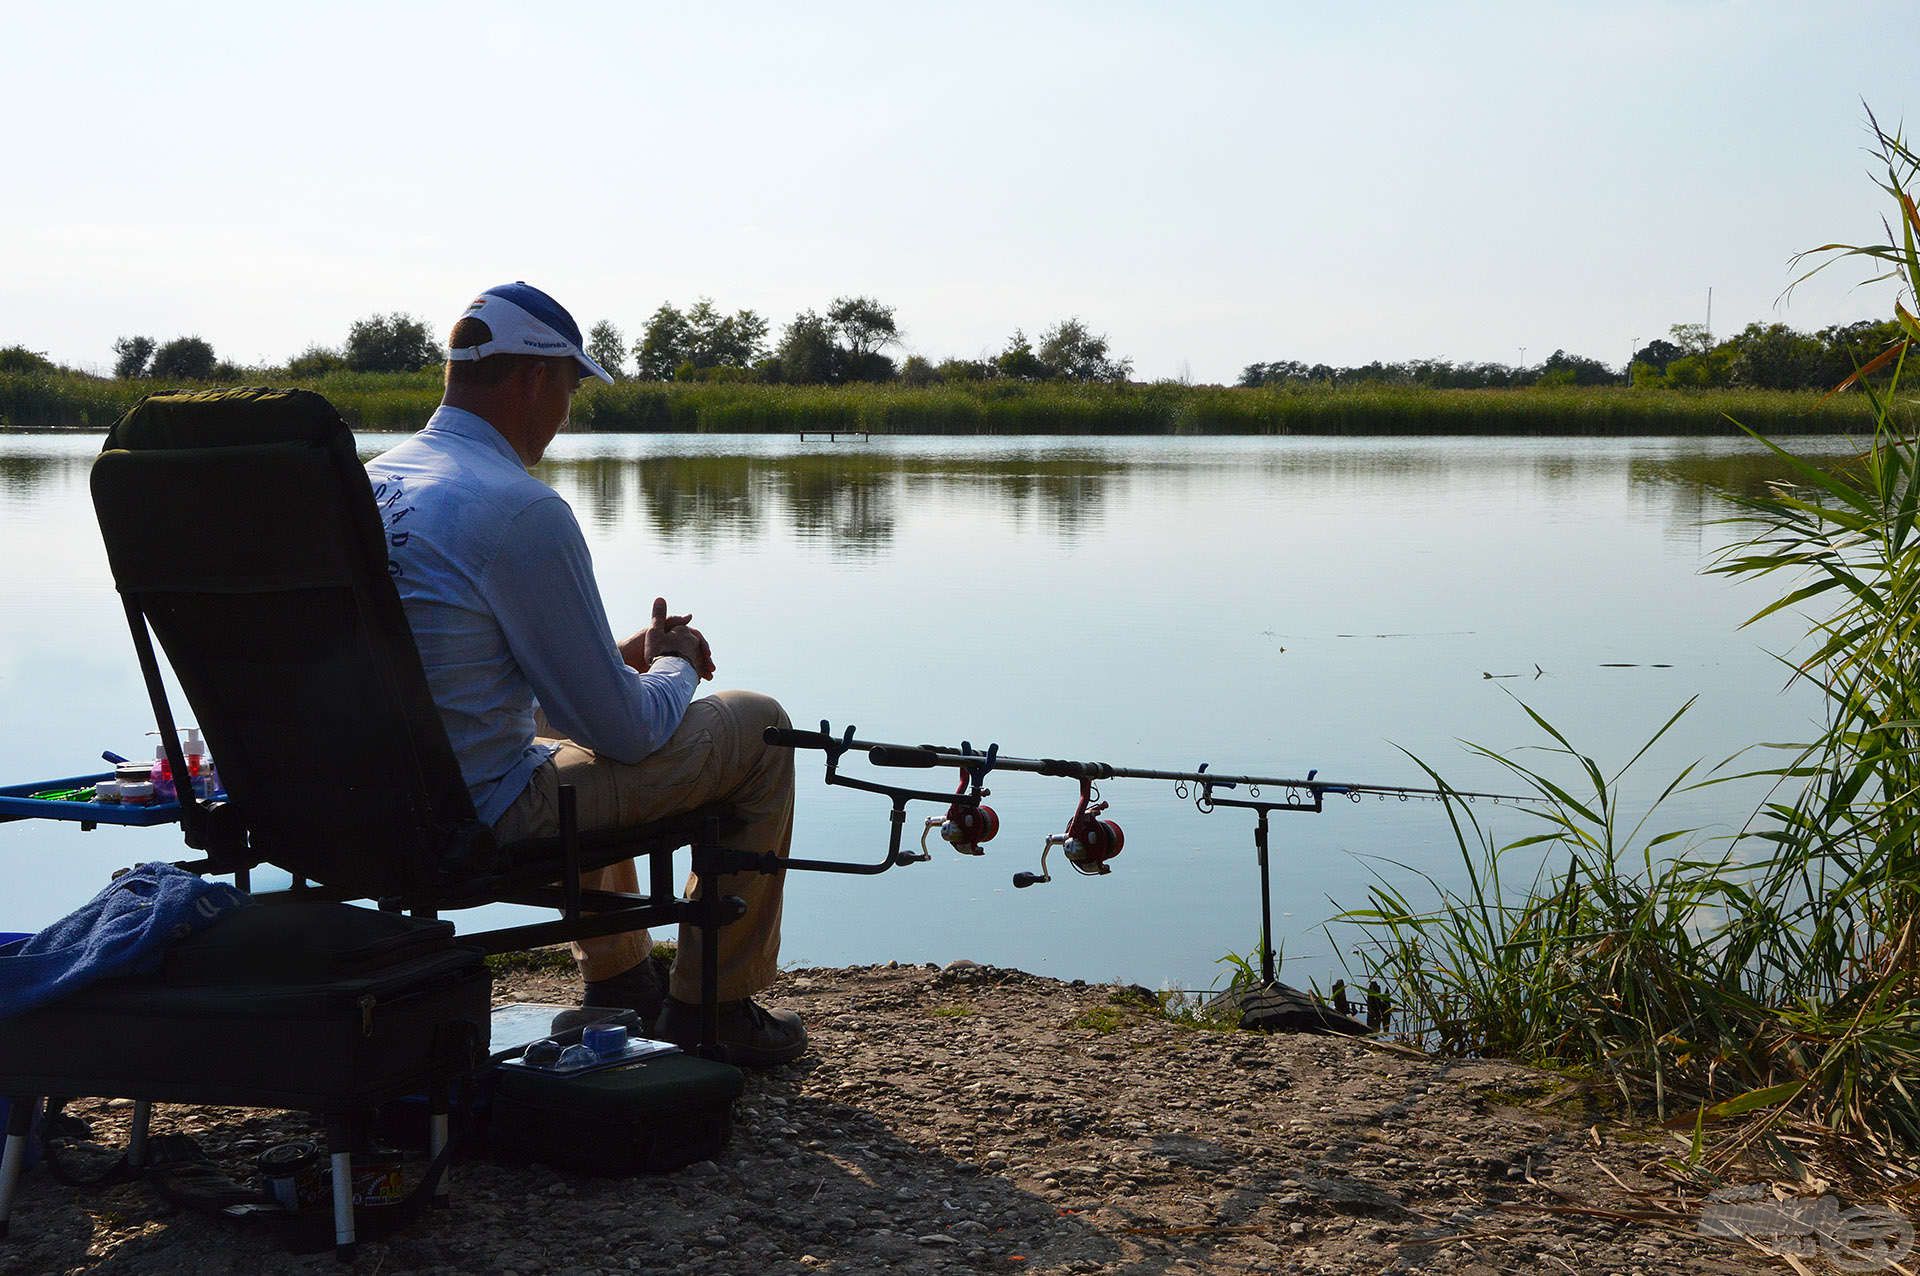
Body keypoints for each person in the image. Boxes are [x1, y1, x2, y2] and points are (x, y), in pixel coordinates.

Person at [365, 281, 804, 1066]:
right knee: (760, 725)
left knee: (567, 716)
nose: (567, 413)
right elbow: (627, 733)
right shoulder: (517, 507)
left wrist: (624, 655)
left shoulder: (369, 486)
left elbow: (458, 663)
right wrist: (674, 664)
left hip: (363, 799)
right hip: (474, 813)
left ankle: (622, 982)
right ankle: (716, 1008)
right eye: (570, 387)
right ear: (535, 378)